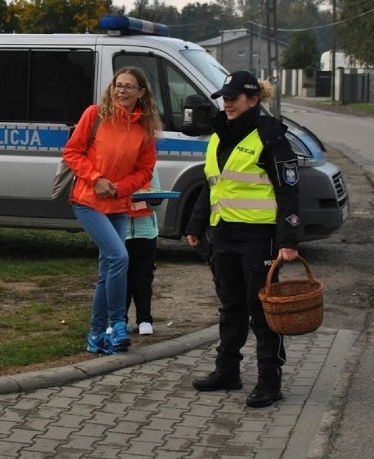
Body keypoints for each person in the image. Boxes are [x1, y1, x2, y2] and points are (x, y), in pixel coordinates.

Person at [185, 71, 300, 408]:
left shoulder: (271, 136)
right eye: (224, 98)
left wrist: (287, 239)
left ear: (253, 99)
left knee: (261, 311)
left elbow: (289, 191)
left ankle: (269, 381)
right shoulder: (219, 133)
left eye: (233, 98)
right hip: (223, 235)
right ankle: (227, 371)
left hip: (258, 238)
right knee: (231, 307)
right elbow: (213, 184)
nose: (227, 104)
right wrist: (195, 225)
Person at [63, 67, 161, 355]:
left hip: (119, 204)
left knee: (108, 271)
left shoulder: (145, 128)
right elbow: (72, 153)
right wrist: (96, 179)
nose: (122, 91)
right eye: (118, 85)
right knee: (119, 257)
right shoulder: (95, 114)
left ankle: (95, 335)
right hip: (87, 201)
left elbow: (145, 171)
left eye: (129, 86)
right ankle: (117, 323)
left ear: (141, 92)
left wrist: (120, 187)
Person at [125, 166, 162, 336]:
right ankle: (119, 320)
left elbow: (156, 196)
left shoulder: (149, 166)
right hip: (120, 230)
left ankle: (144, 319)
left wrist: (148, 199)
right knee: (120, 277)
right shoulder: (115, 163)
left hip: (145, 230)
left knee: (143, 276)